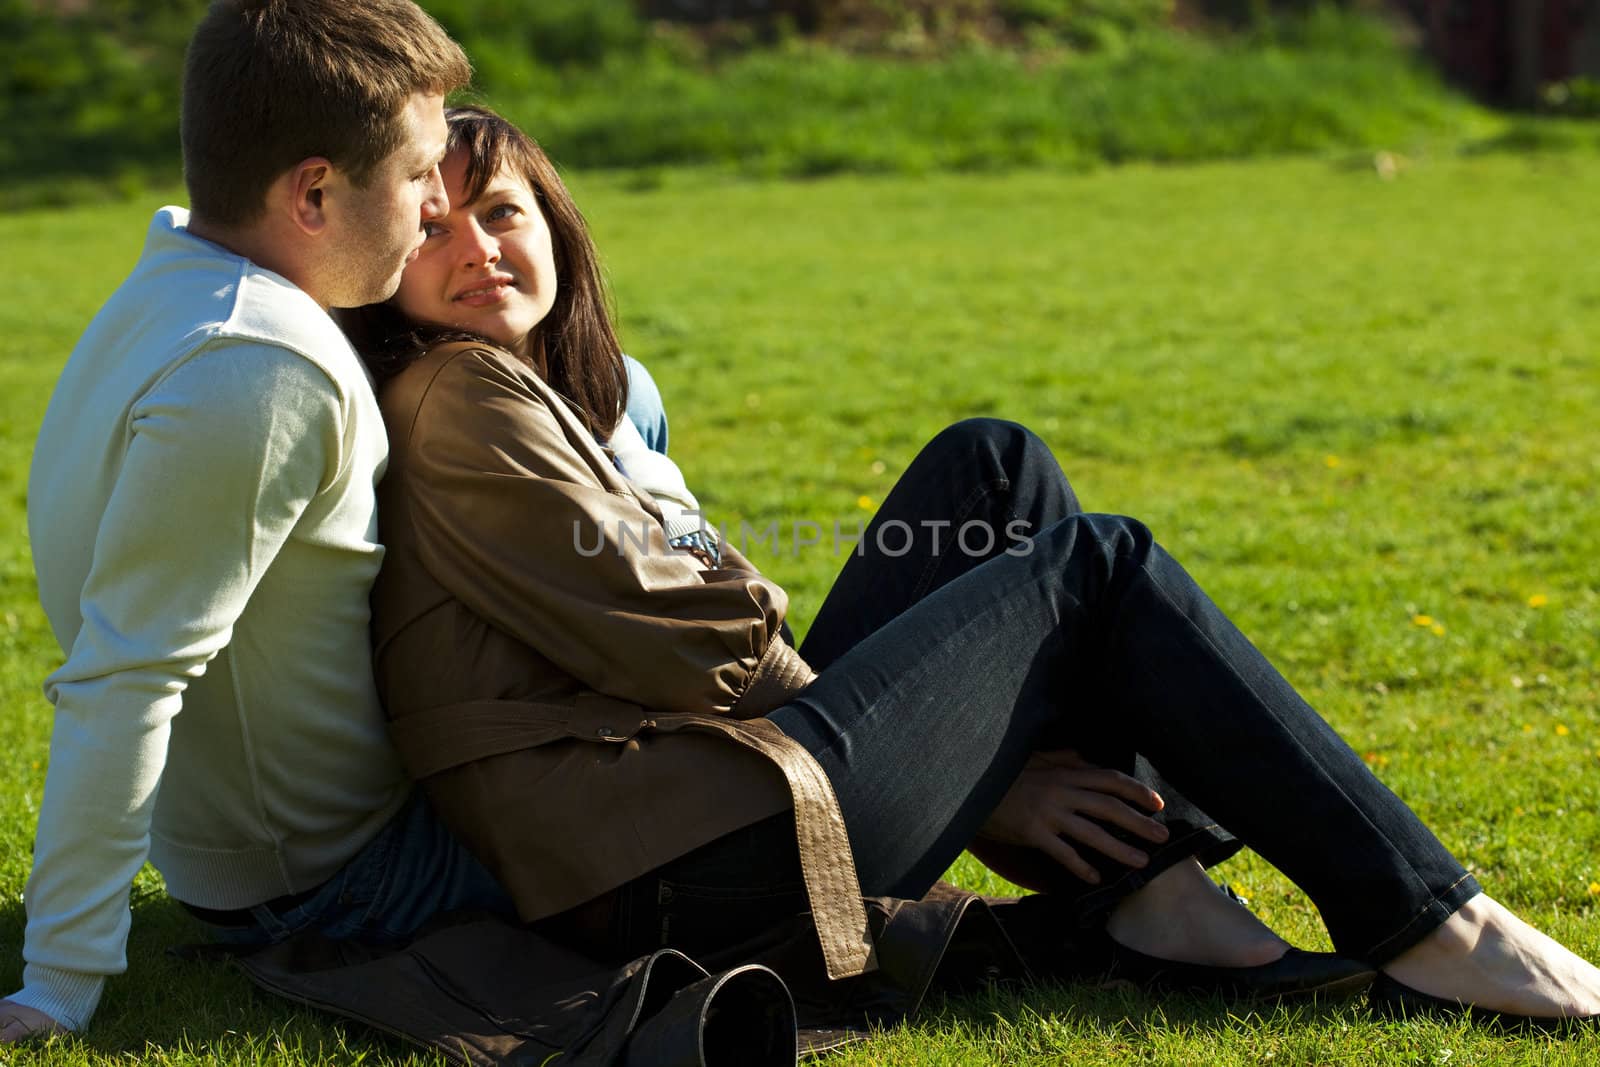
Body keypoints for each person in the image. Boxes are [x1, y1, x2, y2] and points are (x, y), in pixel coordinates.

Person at [344, 104, 1600, 1030]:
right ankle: (1437, 922)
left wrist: (936, 730)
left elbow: (670, 634)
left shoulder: (530, 390)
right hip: (663, 862)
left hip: (683, 792)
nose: (478, 248)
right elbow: (676, 629)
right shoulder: (463, 397)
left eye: (501, 210)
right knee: (1094, 565)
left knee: (989, 473)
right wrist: (983, 784)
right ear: (391, 264)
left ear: (555, 226)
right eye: (435, 226)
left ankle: (1148, 896)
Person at [1, 0, 499, 1045]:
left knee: (624, 394)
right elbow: (125, 677)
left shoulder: (178, 280)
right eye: (416, 174)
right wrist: (60, 979)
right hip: (346, 878)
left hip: (319, 845)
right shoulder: (255, 368)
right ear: (313, 191)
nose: (436, 209)